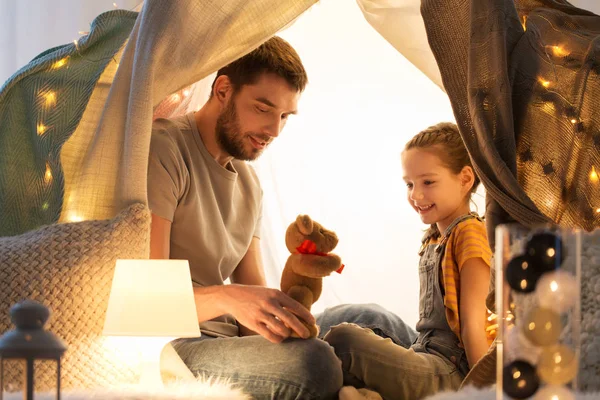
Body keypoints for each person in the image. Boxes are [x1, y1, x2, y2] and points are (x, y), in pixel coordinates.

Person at [147, 36, 342, 400]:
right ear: (223, 89)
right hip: (181, 346)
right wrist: (230, 299)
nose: (274, 130)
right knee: (315, 364)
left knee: (359, 324)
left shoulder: (250, 184)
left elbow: (252, 296)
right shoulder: (165, 150)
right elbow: (149, 296)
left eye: (285, 116)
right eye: (263, 109)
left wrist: (286, 310)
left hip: (232, 343)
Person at [322, 122, 494, 399]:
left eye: (428, 182)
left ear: (465, 179)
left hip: (452, 372)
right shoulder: (434, 238)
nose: (416, 195)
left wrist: (483, 392)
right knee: (362, 330)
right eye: (409, 184)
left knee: (344, 340)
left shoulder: (470, 234)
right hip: (423, 353)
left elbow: (475, 324)